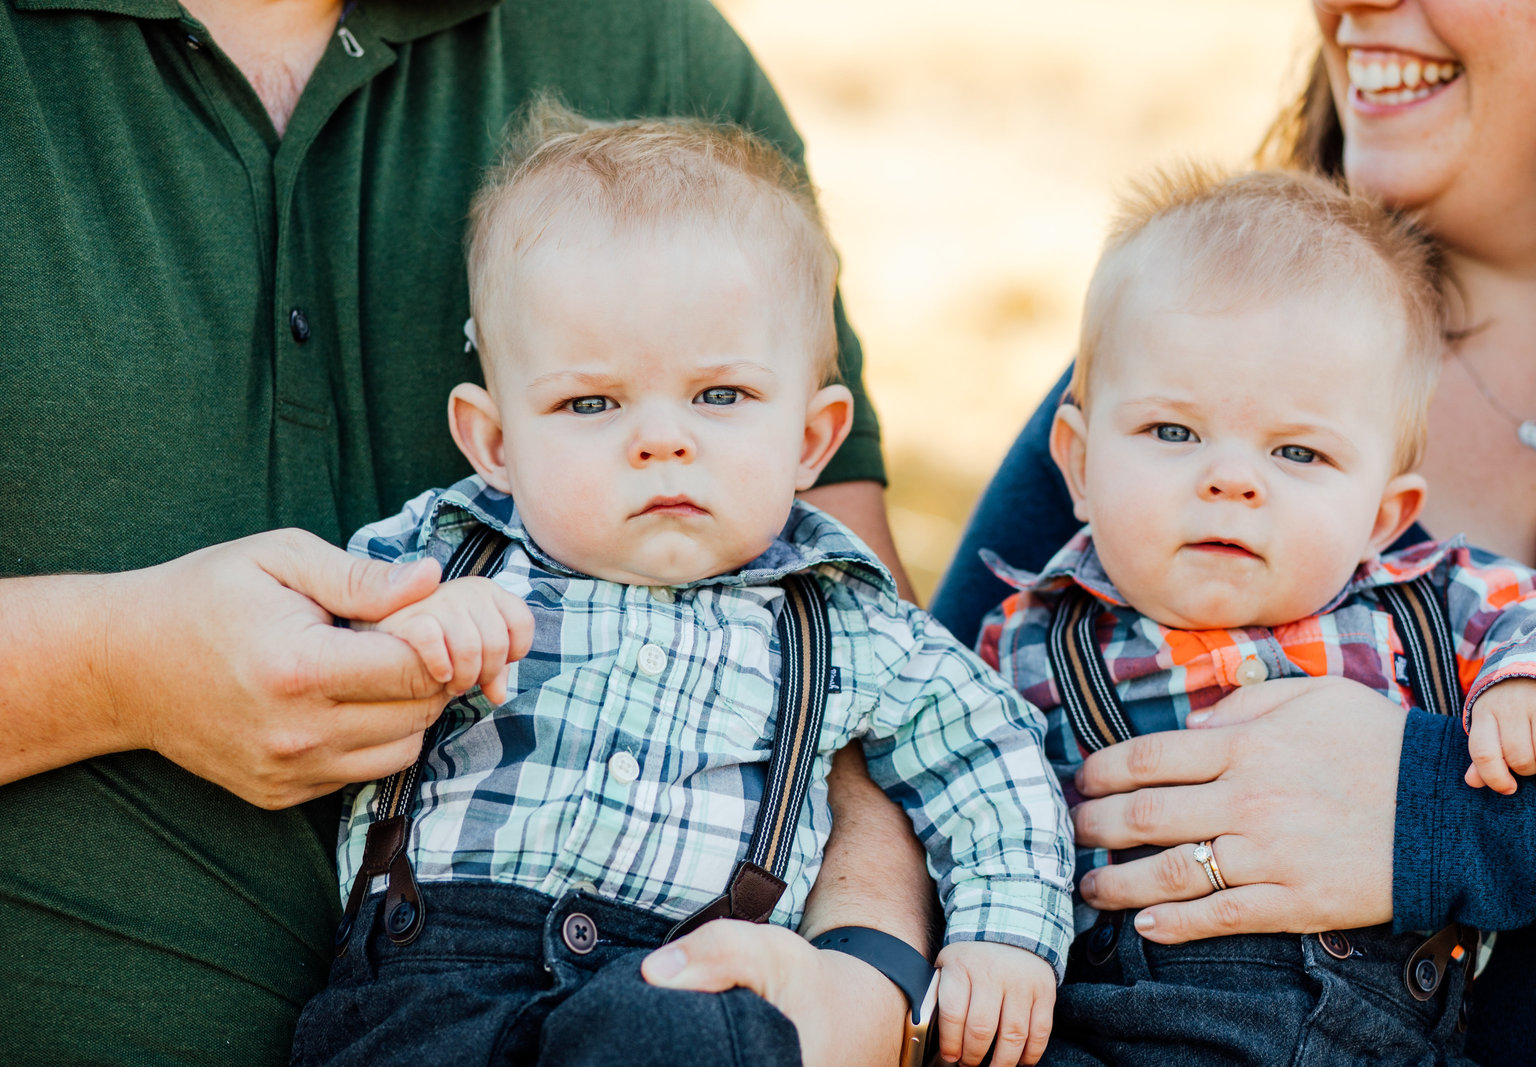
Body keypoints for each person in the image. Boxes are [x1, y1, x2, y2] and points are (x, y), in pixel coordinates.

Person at [0, 2, 929, 1062]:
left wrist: (869, 980)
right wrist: (110, 669)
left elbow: (858, 644)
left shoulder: (643, 42)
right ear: (480, 437)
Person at [290, 103, 1070, 1067]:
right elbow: (298, 658)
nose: (663, 439)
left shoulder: (844, 618)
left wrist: (1006, 931)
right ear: (494, 441)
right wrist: (404, 648)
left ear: (812, 439)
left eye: (720, 395)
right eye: (591, 402)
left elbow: (992, 757)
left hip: (691, 982)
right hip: (427, 983)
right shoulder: (439, 556)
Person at [932, 1, 1536, 1062]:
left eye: (1297, 454)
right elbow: (912, 757)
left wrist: (1428, 811)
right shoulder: (1185, 327)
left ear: (1389, 511)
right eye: (1172, 432)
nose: (1228, 477)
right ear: (1084, 453)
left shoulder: (1449, 593)